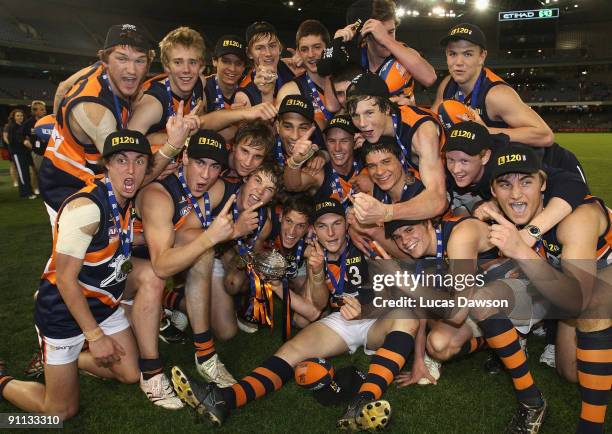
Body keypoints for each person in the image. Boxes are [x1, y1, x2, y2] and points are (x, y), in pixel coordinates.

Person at [170, 198, 419, 431]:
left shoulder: (365, 243)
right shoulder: (314, 255)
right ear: (314, 230)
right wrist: (318, 272)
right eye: (323, 226)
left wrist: (366, 308)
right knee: (290, 352)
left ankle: (362, 402)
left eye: (337, 224)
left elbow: (398, 288)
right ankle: (224, 399)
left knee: (408, 316)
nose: (330, 233)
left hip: (379, 319)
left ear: (348, 224)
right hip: (341, 319)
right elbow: (318, 305)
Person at [0, 130, 152, 420]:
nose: (131, 170)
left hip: (102, 305)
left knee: (131, 373)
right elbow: (65, 280)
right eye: (121, 160)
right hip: (63, 311)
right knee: (58, 412)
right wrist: (95, 336)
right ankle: (2, 381)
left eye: (139, 161)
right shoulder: (86, 208)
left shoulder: (124, 196)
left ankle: (72, 361)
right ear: (106, 164)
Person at [480, 143, 612, 434]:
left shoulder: (575, 220)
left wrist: (521, 250)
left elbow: (578, 300)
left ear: (543, 184)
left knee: (593, 306)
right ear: (493, 190)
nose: (515, 194)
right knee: (570, 372)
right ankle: (531, 400)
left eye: (526, 182)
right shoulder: (508, 219)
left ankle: (591, 428)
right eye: (505, 184)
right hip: (575, 276)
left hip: (599, 276)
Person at [40, 24, 193, 226]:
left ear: (149, 63)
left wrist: (59, 121)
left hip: (84, 174)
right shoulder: (96, 111)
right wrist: (171, 148)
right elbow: (125, 178)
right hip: (69, 190)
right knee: (94, 256)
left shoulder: (99, 72)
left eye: (140, 60)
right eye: (122, 59)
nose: (131, 70)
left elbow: (62, 88)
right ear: (104, 59)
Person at [134, 130, 238, 388]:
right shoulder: (159, 194)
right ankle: (153, 372)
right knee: (124, 370)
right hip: (123, 274)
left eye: (214, 166)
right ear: (185, 159)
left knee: (226, 328)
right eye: (200, 163)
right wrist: (210, 238)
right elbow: (160, 266)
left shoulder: (213, 187)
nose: (206, 175)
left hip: (158, 268)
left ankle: (205, 353)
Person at [345, 73, 448, 229]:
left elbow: (438, 200)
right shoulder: (374, 131)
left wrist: (386, 212)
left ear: (386, 108)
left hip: (466, 189)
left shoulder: (422, 132)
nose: (362, 123)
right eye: (355, 116)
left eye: (369, 113)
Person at [432, 23, 553, 148]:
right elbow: (433, 120)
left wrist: (485, 132)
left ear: (482, 56)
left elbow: (545, 135)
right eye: (452, 54)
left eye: (467, 54)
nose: (458, 62)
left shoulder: (497, 94)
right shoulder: (447, 84)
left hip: (513, 162)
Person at [334, 0, 437, 103]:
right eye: (378, 33)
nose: (384, 39)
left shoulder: (404, 52)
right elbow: (333, 106)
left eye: (391, 32)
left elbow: (430, 78)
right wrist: (334, 46)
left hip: (405, 117)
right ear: (365, 35)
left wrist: (385, 38)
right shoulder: (354, 56)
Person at [275, 20, 340, 129]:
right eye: (304, 49)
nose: (311, 54)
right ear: (298, 52)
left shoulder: (344, 81)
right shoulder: (290, 91)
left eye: (317, 47)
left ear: (328, 48)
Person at [203, 35, 248, 142]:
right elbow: (196, 130)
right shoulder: (202, 87)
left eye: (238, 63)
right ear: (214, 61)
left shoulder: (248, 90)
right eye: (226, 61)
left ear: (244, 67)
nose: (232, 69)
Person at [6, 108, 36, 199]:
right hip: (17, 153)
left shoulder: (22, 126)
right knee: (23, 173)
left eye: (21, 115)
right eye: (18, 116)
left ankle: (23, 193)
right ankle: (28, 193)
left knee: (25, 172)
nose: (20, 117)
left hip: (25, 152)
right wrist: (24, 142)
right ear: (14, 117)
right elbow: (11, 141)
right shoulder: (12, 127)